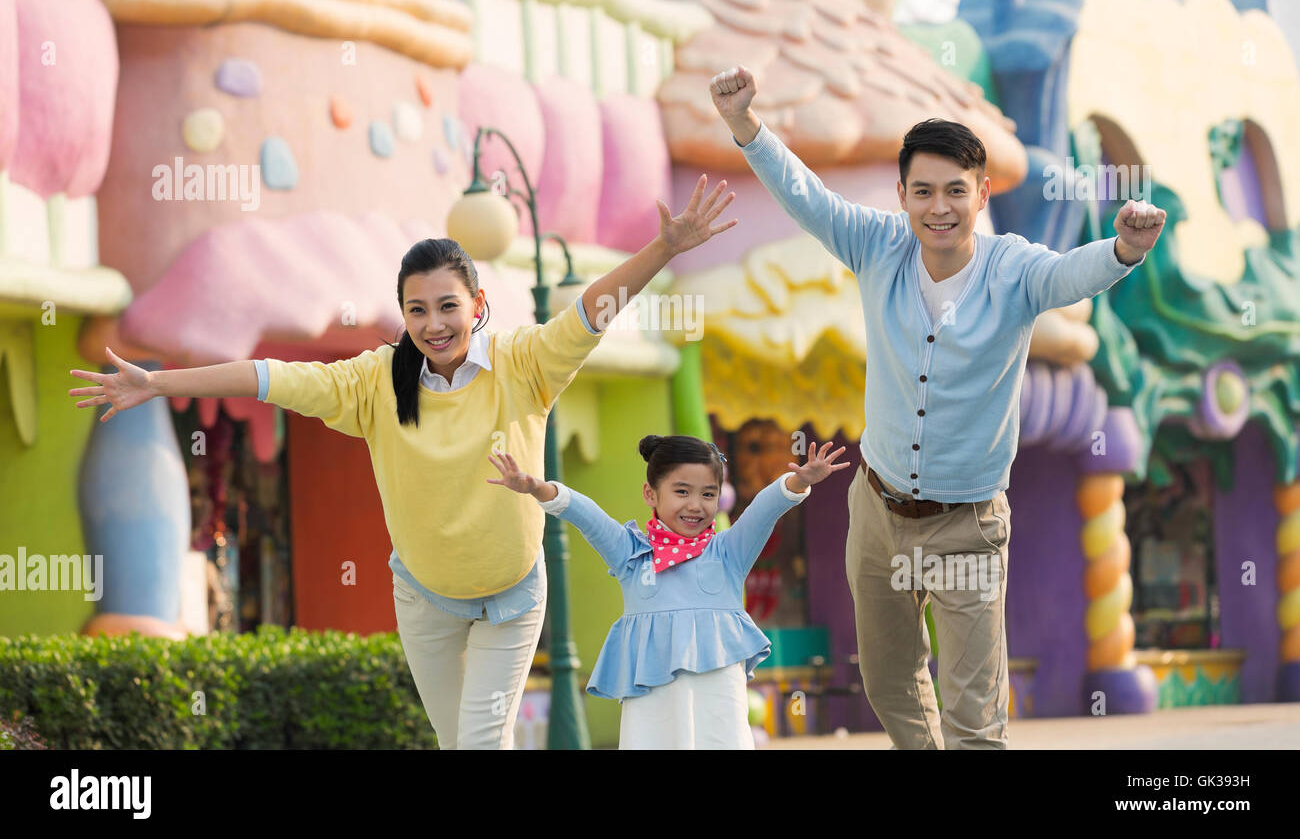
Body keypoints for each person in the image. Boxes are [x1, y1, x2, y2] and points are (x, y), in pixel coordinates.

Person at [67, 176, 738, 750]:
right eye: (417, 309)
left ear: (477, 306)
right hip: (425, 598)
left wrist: (664, 248)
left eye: (448, 306)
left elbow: (591, 312)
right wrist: (160, 384)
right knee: (463, 743)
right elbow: (266, 377)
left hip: (512, 595)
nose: (434, 323)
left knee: (477, 742)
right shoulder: (373, 382)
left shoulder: (527, 363)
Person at [708, 64, 1167, 749]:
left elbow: (1070, 272)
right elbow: (809, 198)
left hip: (967, 525)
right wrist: (746, 125)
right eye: (923, 191)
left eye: (956, 190)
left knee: (973, 713)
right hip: (878, 511)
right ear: (902, 194)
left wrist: (1124, 249)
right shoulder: (878, 245)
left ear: (981, 195)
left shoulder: (1012, 270)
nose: (939, 207)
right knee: (890, 683)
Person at [486, 434, 850, 748]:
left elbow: (764, 509)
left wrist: (798, 482)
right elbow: (587, 515)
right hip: (652, 700)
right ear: (650, 493)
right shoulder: (631, 553)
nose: (696, 505)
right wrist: (537, 488)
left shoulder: (729, 552)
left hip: (717, 702)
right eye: (682, 491)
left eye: (708, 494)